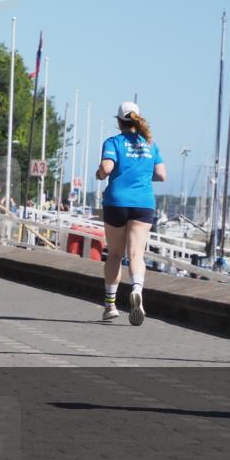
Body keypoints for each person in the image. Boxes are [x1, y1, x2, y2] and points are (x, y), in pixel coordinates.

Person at [95, 102, 166, 325]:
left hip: (117, 202)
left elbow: (106, 168)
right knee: (136, 254)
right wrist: (141, 176)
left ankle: (110, 305)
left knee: (115, 254)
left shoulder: (113, 142)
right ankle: (137, 291)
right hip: (143, 203)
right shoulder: (150, 145)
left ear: (118, 121)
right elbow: (162, 175)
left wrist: (99, 174)